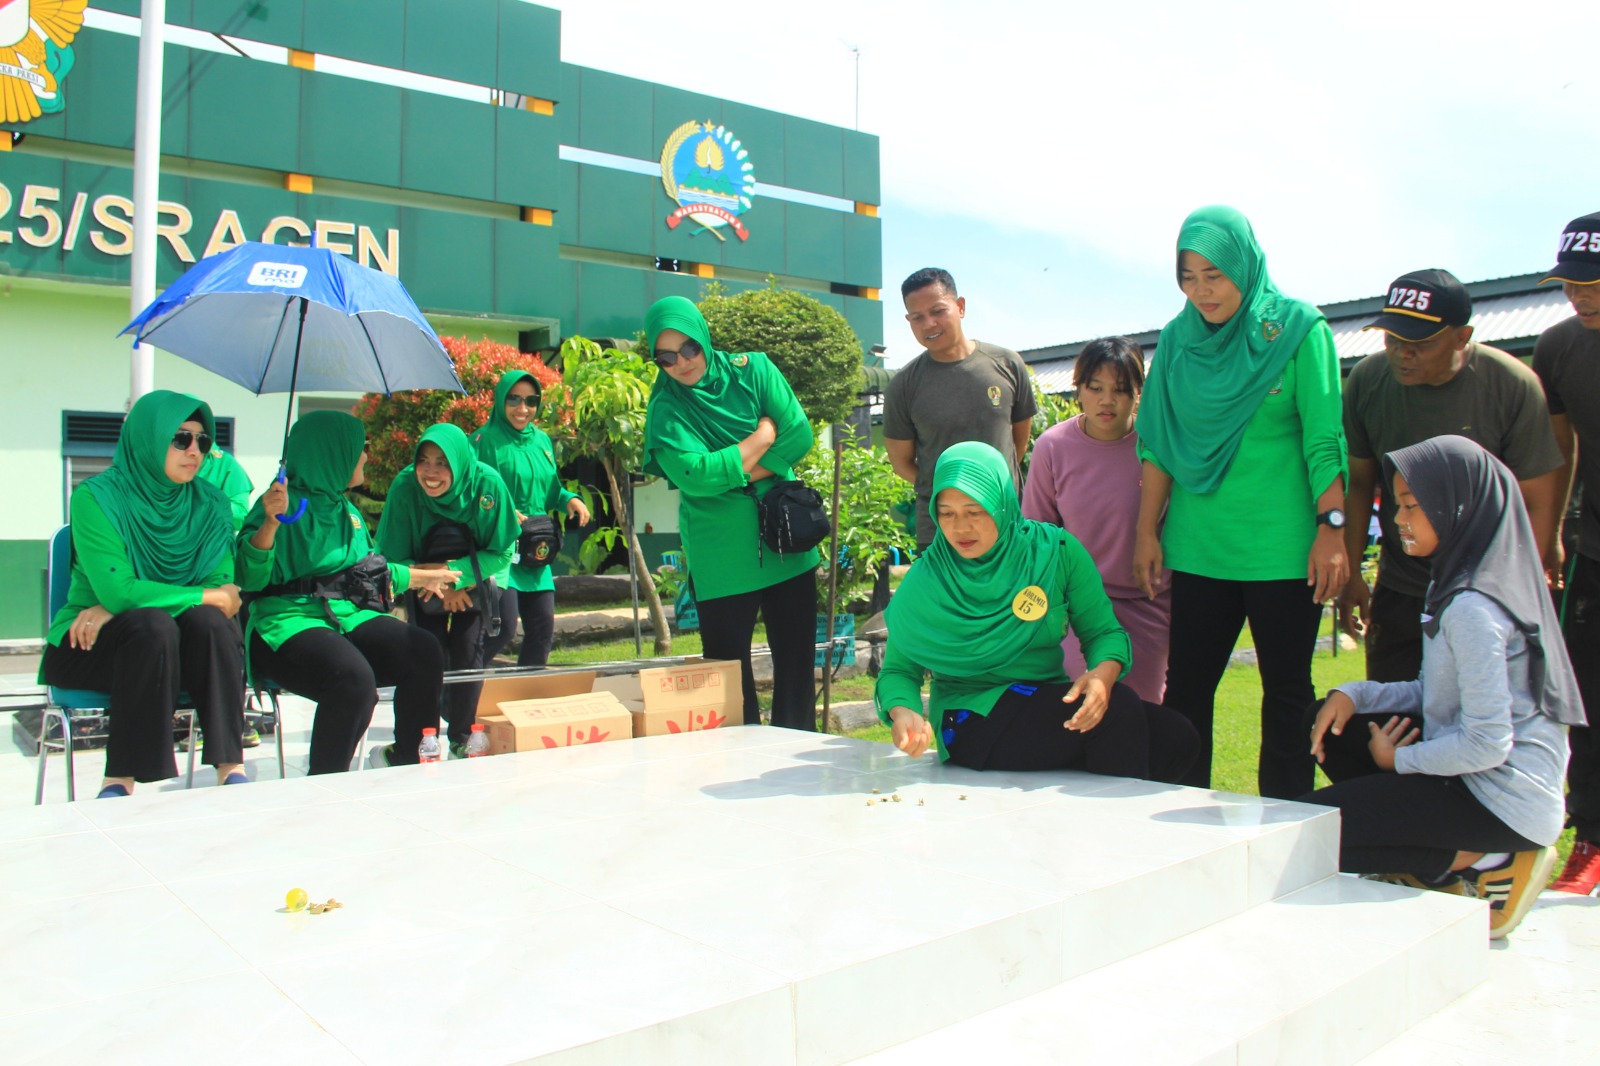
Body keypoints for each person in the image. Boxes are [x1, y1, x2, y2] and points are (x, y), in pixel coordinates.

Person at [1304, 436, 1578, 939]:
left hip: (1501, 803)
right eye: (1398, 505)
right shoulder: (1455, 583)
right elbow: (1432, 690)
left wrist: (1398, 762)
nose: (1398, 519)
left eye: (1412, 506)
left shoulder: (1474, 608)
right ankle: (1438, 857)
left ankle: (1483, 860)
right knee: (1331, 722)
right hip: (1468, 777)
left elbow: (1488, 742)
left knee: (1308, 837)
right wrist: (1353, 695)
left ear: (1459, 507)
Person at [1133, 205, 1348, 800]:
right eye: (1188, 277)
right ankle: (1181, 818)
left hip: (1284, 550)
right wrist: (1146, 532)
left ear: (1245, 267)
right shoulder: (1177, 340)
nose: (1201, 291)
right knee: (1187, 690)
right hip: (1200, 547)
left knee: (1287, 692)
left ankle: (1287, 820)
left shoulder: (1300, 330)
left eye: (1215, 275)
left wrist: (1332, 528)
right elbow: (1159, 443)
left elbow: (1324, 438)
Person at [878, 442, 1196, 781]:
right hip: (969, 715)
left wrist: (1103, 675)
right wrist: (903, 711)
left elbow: (1103, 633)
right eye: (947, 513)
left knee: (1175, 736)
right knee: (1120, 711)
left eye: (975, 511)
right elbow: (899, 670)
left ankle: (1096, 806)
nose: (961, 528)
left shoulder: (1055, 553)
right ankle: (1110, 814)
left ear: (1001, 503)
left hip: (1044, 697)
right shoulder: (928, 579)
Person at [1338, 268, 1563, 683]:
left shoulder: (1511, 384)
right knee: (1391, 710)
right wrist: (1352, 570)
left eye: (1420, 343)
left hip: (1485, 590)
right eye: (1392, 339)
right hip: (1402, 586)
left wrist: (1518, 593)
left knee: (1481, 710)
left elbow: (1535, 500)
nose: (1402, 353)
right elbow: (1359, 484)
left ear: (1462, 337)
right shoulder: (1368, 380)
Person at [40, 390, 247, 796]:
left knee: (210, 621)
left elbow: (224, 591)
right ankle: (121, 779)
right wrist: (121, 602)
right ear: (148, 439)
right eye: (181, 438)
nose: (195, 451)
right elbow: (122, 590)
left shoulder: (212, 503)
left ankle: (231, 767)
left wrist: (121, 602)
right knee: (154, 626)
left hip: (178, 648)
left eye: (203, 440)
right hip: (91, 642)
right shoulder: (96, 497)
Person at [239, 412, 456, 772]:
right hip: (287, 620)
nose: (366, 456)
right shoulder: (278, 504)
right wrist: (270, 525)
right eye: (360, 448)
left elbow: (367, 574)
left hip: (346, 615)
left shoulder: (346, 510)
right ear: (332, 453)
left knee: (423, 649)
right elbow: (250, 578)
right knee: (353, 679)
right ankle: (325, 784)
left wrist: (423, 577)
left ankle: (409, 759)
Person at [642, 295, 819, 730]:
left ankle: (797, 754)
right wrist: (763, 436)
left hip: (785, 543)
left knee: (796, 667)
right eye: (666, 357)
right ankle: (740, 758)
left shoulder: (752, 369)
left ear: (703, 338)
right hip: (720, 557)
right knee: (728, 679)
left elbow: (799, 434)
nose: (682, 363)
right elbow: (695, 476)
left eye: (689, 348)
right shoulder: (666, 408)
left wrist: (734, 472)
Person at [1023, 336, 1170, 703]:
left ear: (1139, 393)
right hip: (1080, 608)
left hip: (1150, 602)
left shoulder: (1160, 444)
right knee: (1077, 708)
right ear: (1079, 390)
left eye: (1120, 390)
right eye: (1095, 388)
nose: (1107, 400)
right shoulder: (1052, 447)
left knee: (1142, 713)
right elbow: (1037, 537)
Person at [377, 423, 519, 758]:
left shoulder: (486, 484)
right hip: (423, 581)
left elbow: (501, 550)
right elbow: (392, 554)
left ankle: (462, 734)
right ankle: (418, 740)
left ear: (459, 462)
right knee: (425, 653)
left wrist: (454, 578)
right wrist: (432, 578)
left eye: (442, 463)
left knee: (469, 650)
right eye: (424, 461)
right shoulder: (405, 487)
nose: (431, 472)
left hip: (476, 578)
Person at [1532, 210, 1600, 895]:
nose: (1578, 295)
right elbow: (1560, 447)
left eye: (1593, 283)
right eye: (1570, 283)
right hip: (1592, 547)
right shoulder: (1557, 347)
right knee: (1586, 698)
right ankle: (1592, 838)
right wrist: (1550, 531)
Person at [884, 267, 1036, 551]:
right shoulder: (903, 385)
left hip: (1004, 521)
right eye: (917, 317)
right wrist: (953, 490)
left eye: (938, 311)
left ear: (961, 307)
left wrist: (985, 486)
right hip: (940, 532)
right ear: (908, 321)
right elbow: (901, 462)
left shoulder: (1007, 364)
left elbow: (1017, 443)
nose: (929, 324)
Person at [471, 370, 591, 668]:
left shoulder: (542, 441)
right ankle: (456, 684)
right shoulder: (483, 441)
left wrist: (569, 499)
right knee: (502, 627)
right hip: (500, 551)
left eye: (531, 401)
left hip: (536, 548)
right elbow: (469, 491)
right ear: (500, 400)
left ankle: (528, 690)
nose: (522, 409)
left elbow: (551, 490)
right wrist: (501, 509)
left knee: (542, 628)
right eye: (513, 399)